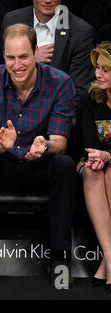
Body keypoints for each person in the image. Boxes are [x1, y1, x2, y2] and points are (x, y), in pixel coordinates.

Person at [0, 23, 77, 288]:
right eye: (10, 58)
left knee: (64, 164)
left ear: (36, 52)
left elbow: (60, 142)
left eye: (23, 57)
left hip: (40, 164)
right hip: (2, 163)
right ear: (3, 56)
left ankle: (59, 259)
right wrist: (2, 145)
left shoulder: (61, 83)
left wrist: (45, 146)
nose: (17, 65)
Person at [2, 0, 95, 105]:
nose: (47, 0)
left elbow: (78, 92)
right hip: (12, 109)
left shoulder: (80, 31)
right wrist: (30, 59)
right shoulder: (12, 20)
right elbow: (2, 74)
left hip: (57, 113)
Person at [75, 42, 111, 293]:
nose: (98, 74)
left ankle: (107, 263)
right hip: (92, 160)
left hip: (109, 160)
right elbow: (88, 143)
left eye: (105, 70)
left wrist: (108, 155)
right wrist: (100, 157)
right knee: (93, 172)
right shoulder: (90, 98)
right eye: (97, 68)